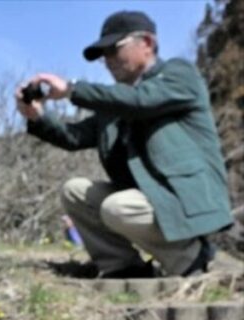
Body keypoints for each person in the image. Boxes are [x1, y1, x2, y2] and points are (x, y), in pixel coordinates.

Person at [16, 10, 232, 278]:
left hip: (180, 197)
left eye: (114, 50)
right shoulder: (115, 103)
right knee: (75, 191)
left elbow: (142, 101)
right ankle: (123, 267)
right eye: (102, 55)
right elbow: (75, 137)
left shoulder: (179, 74)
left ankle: (191, 260)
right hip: (144, 199)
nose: (107, 60)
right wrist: (37, 116)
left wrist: (72, 89)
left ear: (148, 43)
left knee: (117, 207)